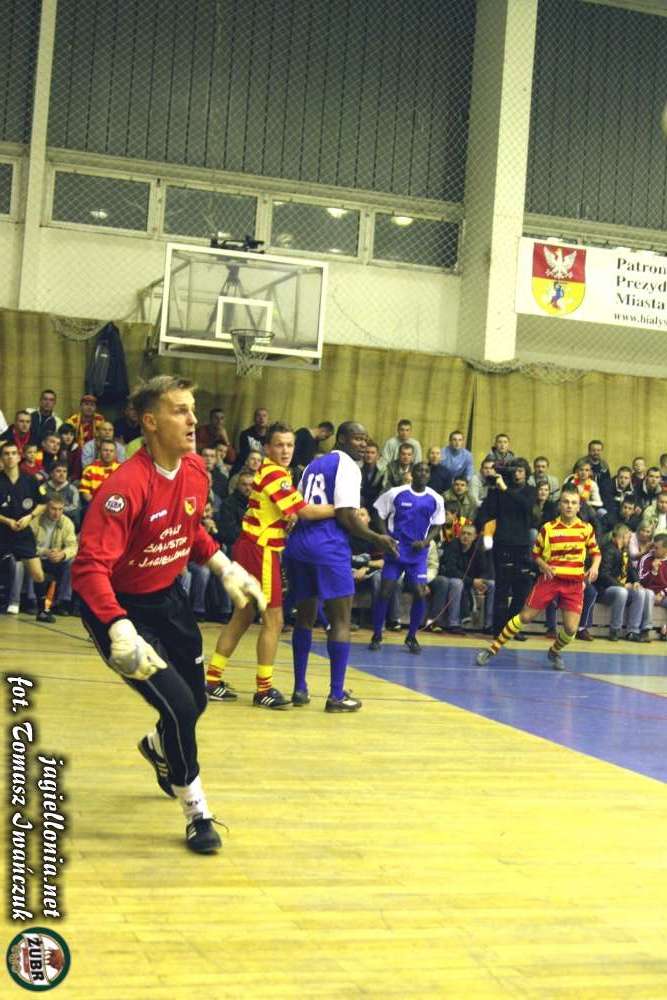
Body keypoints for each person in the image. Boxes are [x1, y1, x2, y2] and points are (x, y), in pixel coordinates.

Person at [71, 375, 266, 855]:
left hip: (168, 600)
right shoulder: (125, 487)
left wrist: (223, 566)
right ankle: (197, 812)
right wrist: (118, 628)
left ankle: (158, 748)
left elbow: (189, 527)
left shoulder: (195, 469)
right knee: (177, 708)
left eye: (193, 409)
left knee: (194, 704)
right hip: (118, 610)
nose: (194, 420)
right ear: (151, 422)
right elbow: (89, 568)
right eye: (180, 410)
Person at [205, 423, 336, 709]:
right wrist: (342, 508)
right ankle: (263, 690)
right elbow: (306, 512)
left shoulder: (273, 471)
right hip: (259, 550)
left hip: (249, 546)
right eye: (279, 445)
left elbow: (286, 513)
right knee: (274, 620)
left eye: (290, 445)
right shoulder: (276, 474)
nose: (286, 450)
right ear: (267, 448)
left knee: (242, 616)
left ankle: (212, 680)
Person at [285, 421, 398, 711]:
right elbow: (347, 516)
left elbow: (300, 508)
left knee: (304, 618)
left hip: (299, 545)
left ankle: (300, 688)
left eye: (366, 439)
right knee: (341, 621)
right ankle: (336, 695)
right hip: (327, 545)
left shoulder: (313, 465)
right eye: (357, 438)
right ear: (342, 439)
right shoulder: (347, 466)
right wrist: (377, 538)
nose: (363, 444)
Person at [476, 485, 601, 671]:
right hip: (550, 581)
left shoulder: (586, 529)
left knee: (571, 629)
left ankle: (554, 651)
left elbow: (596, 553)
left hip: (574, 584)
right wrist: (543, 565)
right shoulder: (548, 529)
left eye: (573, 503)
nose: (569, 506)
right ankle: (492, 649)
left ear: (579, 507)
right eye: (566, 502)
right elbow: (535, 555)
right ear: (559, 505)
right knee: (525, 617)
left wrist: (594, 567)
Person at [369, 462, 445, 653]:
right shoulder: (396, 493)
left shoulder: (436, 498)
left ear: (429, 475)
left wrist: (426, 541)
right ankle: (377, 634)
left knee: (420, 593)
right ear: (412, 473)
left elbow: (438, 525)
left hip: (417, 555)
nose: (423, 473)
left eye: (426, 471)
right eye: (419, 470)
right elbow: (378, 513)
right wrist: (385, 535)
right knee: (385, 591)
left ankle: (411, 636)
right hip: (395, 551)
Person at [479, 458, 536, 636]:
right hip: (503, 543)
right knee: (502, 588)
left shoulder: (530, 491)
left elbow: (526, 506)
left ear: (526, 473)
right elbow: (489, 511)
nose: (517, 474)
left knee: (522, 588)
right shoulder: (499, 490)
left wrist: (504, 489)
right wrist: (494, 489)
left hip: (522, 544)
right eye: (515, 471)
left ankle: (510, 626)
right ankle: (498, 628)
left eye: (520, 471)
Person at [0, 441, 51, 620]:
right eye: (6, 454)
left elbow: (43, 504)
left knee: (37, 573)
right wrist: (7, 521)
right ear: (1, 458)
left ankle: (42, 610)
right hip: (2, 532)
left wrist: (29, 517)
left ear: (19, 456)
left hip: (23, 533)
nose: (10, 457)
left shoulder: (30, 480)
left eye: (13, 453)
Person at [595, 523, 653, 642]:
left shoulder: (624, 551)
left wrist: (636, 581)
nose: (630, 540)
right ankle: (614, 629)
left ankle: (632, 631)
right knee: (622, 592)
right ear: (622, 537)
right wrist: (622, 585)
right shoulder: (608, 550)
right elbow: (604, 575)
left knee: (640, 592)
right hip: (605, 590)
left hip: (620, 587)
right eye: (628, 537)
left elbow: (631, 569)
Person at [30, 497, 78, 614]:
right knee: (28, 560)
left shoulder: (66, 522)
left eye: (60, 509)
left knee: (72, 562)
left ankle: (63, 602)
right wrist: (44, 551)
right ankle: (32, 601)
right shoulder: (35, 520)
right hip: (37, 557)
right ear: (46, 507)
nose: (57, 513)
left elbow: (73, 546)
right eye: (53, 509)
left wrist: (63, 554)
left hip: (56, 559)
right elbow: (26, 546)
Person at [638, 533, 667, 638]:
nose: (653, 550)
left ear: (665, 549)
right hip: (648, 592)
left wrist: (662, 593)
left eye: (657, 548)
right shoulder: (646, 558)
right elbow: (641, 581)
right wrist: (653, 571)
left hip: (663, 595)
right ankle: (645, 630)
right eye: (653, 547)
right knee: (648, 594)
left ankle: (665, 630)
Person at [45, 461, 81, 531]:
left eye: (64, 471)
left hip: (66, 526)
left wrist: (56, 509)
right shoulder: (43, 487)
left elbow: (75, 510)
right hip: (46, 523)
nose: (62, 474)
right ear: (51, 474)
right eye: (58, 471)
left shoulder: (73, 490)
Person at [233, 407, 269, 472]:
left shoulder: (272, 436)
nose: (261, 418)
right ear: (254, 419)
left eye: (264, 416)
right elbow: (244, 455)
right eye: (258, 415)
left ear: (268, 419)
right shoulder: (245, 434)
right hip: (249, 465)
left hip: (266, 466)